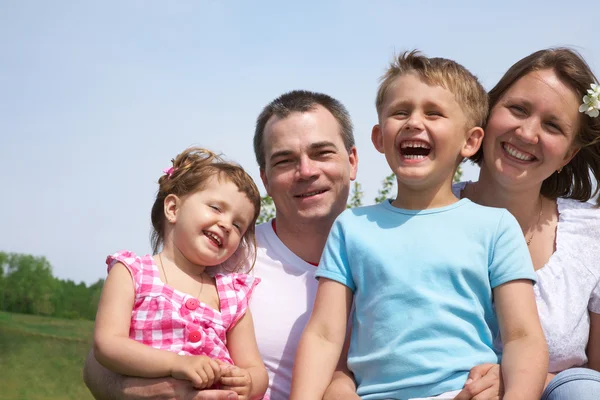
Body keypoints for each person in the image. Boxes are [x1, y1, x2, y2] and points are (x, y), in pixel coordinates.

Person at [290, 51, 548, 400]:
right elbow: (323, 334)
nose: (413, 122)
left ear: (470, 142)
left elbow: (522, 336)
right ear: (379, 138)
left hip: (462, 392)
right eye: (400, 112)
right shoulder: (351, 227)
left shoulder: (496, 227)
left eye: (433, 113)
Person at [82, 90, 359, 400]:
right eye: (285, 160)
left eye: (322, 153)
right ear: (265, 179)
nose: (306, 171)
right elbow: (98, 365)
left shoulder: (384, 264)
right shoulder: (227, 256)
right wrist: (170, 391)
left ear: (352, 161)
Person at [451, 48, 600, 400]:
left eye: (553, 126)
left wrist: (525, 380)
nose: (528, 132)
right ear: (487, 115)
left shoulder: (592, 235)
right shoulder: (418, 212)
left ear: (568, 155)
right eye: (517, 109)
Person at [92, 147, 268, 400]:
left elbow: (256, 369)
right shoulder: (132, 272)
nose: (227, 224)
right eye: (216, 208)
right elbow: (107, 345)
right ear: (173, 208)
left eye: (238, 225)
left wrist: (249, 381)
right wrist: (177, 364)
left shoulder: (231, 295)